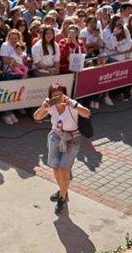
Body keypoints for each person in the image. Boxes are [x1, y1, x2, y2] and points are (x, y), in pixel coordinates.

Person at [32, 83, 91, 213]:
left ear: (64, 94)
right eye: (54, 95)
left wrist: (73, 104)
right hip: (55, 137)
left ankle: (62, 198)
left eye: (60, 94)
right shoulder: (51, 106)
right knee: (55, 166)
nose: (57, 97)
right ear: (51, 96)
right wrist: (43, 108)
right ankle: (62, 190)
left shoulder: (72, 104)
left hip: (72, 138)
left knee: (64, 169)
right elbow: (36, 117)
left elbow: (87, 113)